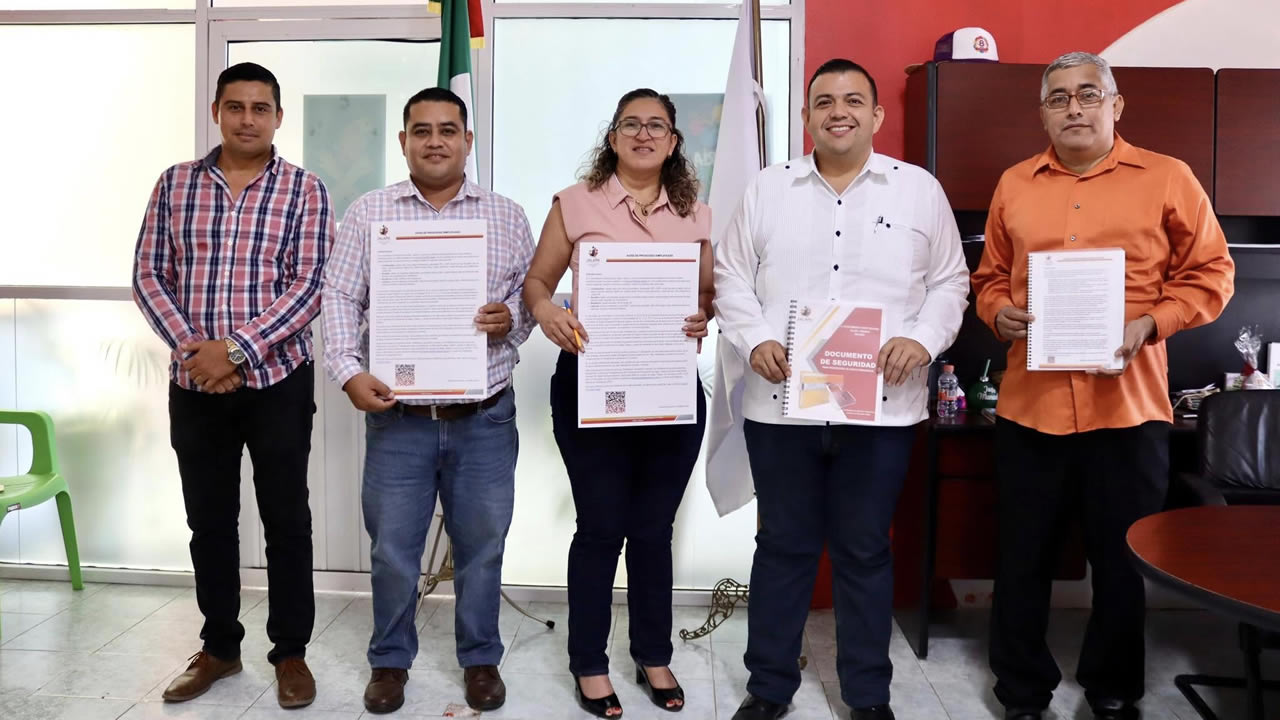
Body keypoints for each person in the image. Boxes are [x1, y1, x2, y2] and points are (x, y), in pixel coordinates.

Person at [972, 52, 1235, 720]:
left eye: (1088, 94)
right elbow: (989, 278)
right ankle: (1021, 690)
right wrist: (997, 312)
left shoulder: (1168, 177)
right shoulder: (1014, 184)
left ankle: (1113, 687)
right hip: (1030, 408)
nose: (1074, 108)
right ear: (1042, 113)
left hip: (1128, 409)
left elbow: (1213, 273)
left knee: (1122, 565)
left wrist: (1152, 322)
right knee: (1022, 559)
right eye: (1058, 97)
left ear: (1116, 105)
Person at [714, 59, 969, 720]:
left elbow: (950, 282)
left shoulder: (918, 191)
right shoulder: (768, 189)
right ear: (806, 117)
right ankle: (769, 688)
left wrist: (924, 339)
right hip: (780, 407)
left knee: (864, 550)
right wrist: (753, 337)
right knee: (783, 548)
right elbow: (730, 275)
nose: (839, 111)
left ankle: (867, 696)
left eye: (854, 100)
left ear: (876, 115)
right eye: (824, 101)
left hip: (882, 411)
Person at [322, 87, 536, 715]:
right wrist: (347, 372)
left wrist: (511, 318)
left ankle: (480, 658)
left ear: (468, 140)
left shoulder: (507, 216)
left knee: (482, 546)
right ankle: (389, 661)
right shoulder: (369, 212)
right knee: (393, 550)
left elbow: (532, 297)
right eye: (422, 130)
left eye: (447, 130)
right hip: (400, 418)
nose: (435, 141)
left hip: (484, 416)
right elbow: (340, 297)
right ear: (404, 141)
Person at [132, 61, 332, 709]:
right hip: (195, 386)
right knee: (209, 520)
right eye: (236, 106)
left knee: (286, 519)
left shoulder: (305, 190)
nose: (248, 119)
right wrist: (199, 354)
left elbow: (311, 284)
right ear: (217, 111)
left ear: (278, 117)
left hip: (277, 381)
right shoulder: (175, 184)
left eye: (260, 108)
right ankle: (219, 647)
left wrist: (236, 351)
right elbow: (149, 274)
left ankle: (291, 652)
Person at [522, 88, 713, 718]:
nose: (643, 134)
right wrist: (547, 312)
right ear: (612, 137)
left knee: (654, 532)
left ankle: (653, 654)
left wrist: (702, 315)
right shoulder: (575, 204)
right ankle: (590, 663)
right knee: (601, 528)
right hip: (591, 386)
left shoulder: (696, 214)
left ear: (674, 141)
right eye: (630, 124)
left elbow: (707, 297)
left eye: (656, 125)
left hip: (668, 388)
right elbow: (537, 282)